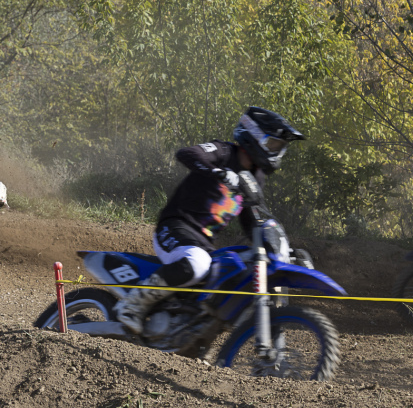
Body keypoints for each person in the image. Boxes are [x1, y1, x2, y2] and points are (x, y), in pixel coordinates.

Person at [114, 107, 306, 334]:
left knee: (232, 270)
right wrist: (219, 172)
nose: (277, 151)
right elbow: (187, 154)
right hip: (175, 227)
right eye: (273, 144)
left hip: (203, 243)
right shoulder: (224, 152)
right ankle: (132, 305)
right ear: (254, 136)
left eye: (280, 147)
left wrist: (284, 251)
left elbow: (252, 222)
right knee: (197, 262)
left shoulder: (256, 178)